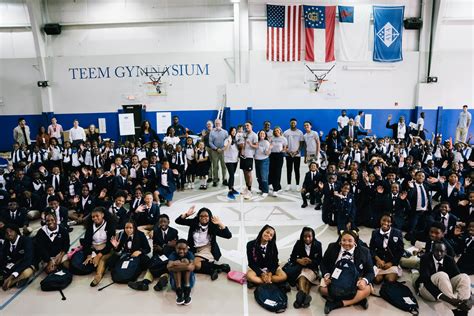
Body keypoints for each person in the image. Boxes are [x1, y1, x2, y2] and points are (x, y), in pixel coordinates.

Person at [319, 230, 373, 314]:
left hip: (355, 281)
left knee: (367, 289)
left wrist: (364, 280)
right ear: (340, 240)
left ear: (355, 241)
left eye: (350, 241)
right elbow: (323, 263)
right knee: (322, 289)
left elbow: (370, 272)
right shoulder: (332, 247)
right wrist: (327, 275)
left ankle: (337, 304)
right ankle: (358, 299)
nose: (346, 243)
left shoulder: (364, 251)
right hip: (334, 280)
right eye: (343, 240)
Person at [415, 242, 472, 316]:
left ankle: (463, 308)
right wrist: (451, 300)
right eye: (436, 250)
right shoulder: (425, 258)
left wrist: (470, 299)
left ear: (445, 252)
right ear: (432, 250)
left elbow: (458, 279)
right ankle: (457, 311)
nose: (439, 253)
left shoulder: (449, 260)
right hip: (427, 290)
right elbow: (426, 282)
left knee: (464, 276)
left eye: (442, 251)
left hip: (444, 291)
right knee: (441, 275)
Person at [175, 206, 231, 281]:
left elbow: (228, 235)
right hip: (193, 248)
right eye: (201, 216)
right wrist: (186, 215)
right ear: (198, 217)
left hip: (206, 248)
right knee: (186, 265)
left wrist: (220, 223)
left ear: (210, 217)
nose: (203, 218)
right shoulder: (193, 223)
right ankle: (219, 267)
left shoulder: (213, 226)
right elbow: (178, 221)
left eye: (206, 216)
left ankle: (211, 271)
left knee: (195, 264)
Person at [128, 214, 178, 291]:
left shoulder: (174, 231)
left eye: (165, 221)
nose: (163, 224)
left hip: (170, 255)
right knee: (151, 266)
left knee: (168, 266)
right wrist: (166, 245)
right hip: (159, 254)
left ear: (168, 222)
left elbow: (174, 247)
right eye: (161, 222)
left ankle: (161, 282)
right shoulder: (156, 232)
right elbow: (155, 247)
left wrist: (163, 247)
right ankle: (144, 283)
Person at [81, 206, 116, 287]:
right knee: (85, 262)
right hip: (93, 248)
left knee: (102, 259)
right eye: (93, 216)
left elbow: (110, 244)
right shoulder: (90, 226)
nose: (95, 218)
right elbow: (86, 242)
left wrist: (99, 255)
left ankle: (98, 276)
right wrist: (89, 255)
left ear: (102, 215)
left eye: (97, 216)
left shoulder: (110, 225)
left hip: (106, 249)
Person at [289, 227, 322, 309]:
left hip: (312, 268)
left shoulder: (318, 245)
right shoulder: (298, 244)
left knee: (303, 277)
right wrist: (299, 260)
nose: (307, 239)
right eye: (305, 236)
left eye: (309, 236)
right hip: (300, 267)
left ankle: (299, 299)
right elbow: (292, 257)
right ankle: (305, 298)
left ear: (313, 236)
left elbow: (320, 260)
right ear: (302, 236)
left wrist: (311, 261)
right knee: (306, 280)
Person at [369, 214, 404, 284]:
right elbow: (371, 249)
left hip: (391, 262)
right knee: (377, 280)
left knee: (390, 280)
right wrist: (378, 260)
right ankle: (380, 274)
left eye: (388, 221)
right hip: (379, 262)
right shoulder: (375, 232)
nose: (385, 223)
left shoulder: (397, 233)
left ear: (391, 223)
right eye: (383, 220)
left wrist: (391, 263)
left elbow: (400, 251)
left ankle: (389, 274)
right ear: (380, 221)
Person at [1, 223, 35, 290]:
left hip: (29, 263)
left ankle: (12, 282)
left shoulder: (26, 240)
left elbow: (27, 260)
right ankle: (10, 281)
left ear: (16, 231)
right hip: (15, 264)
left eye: (11, 231)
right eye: (6, 232)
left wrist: (11, 276)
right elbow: (2, 258)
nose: (9, 234)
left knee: (26, 273)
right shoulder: (6, 242)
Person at [167, 239, 195, 306]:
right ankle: (179, 291)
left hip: (189, 281)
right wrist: (185, 265)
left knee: (184, 263)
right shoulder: (173, 255)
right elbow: (168, 267)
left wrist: (177, 265)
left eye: (184, 249)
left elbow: (191, 267)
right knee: (178, 268)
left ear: (187, 248)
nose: (181, 251)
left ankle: (187, 290)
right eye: (179, 249)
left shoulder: (190, 254)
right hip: (175, 283)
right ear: (175, 248)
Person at [239, 121, 258, 199]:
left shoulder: (254, 135)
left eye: (248, 125)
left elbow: (256, 146)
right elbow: (240, 144)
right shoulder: (244, 134)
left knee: (249, 174)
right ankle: (247, 187)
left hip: (249, 156)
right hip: (243, 156)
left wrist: (250, 144)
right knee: (244, 172)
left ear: (251, 126)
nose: (246, 127)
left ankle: (249, 190)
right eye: (245, 126)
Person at [283, 118, 303, 191]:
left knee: (297, 170)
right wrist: (288, 152)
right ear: (290, 123)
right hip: (288, 154)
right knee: (289, 170)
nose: (293, 124)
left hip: (297, 155)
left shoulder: (300, 132)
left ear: (296, 123)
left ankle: (297, 185)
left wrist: (297, 152)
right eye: (292, 123)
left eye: (294, 123)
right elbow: (284, 144)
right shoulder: (286, 132)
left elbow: (301, 144)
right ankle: (289, 184)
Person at [209, 119, 228, 187]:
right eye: (216, 123)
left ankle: (224, 179)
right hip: (214, 151)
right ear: (214, 124)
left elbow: (227, 141)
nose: (217, 124)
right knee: (215, 166)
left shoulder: (225, 132)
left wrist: (223, 148)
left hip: (223, 151)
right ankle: (215, 180)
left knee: (224, 166)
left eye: (219, 123)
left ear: (221, 124)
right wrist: (216, 148)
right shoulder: (212, 132)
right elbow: (210, 142)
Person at [269, 126, 287, 196]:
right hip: (272, 156)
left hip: (279, 156)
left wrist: (283, 151)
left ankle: (275, 190)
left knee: (277, 172)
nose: (276, 132)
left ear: (280, 131)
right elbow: (269, 146)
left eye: (277, 131)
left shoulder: (283, 139)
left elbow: (285, 147)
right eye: (275, 131)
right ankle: (277, 186)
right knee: (272, 171)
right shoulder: (271, 138)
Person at [223, 127, 239, 200]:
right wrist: (229, 143)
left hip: (235, 160)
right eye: (232, 131)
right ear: (230, 132)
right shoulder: (227, 139)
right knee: (232, 175)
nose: (234, 132)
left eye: (235, 131)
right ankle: (230, 191)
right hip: (229, 160)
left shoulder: (235, 139)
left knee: (232, 175)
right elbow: (225, 149)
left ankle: (232, 188)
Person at [254, 130, 272, 198]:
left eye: (263, 133)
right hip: (256, 160)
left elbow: (267, 153)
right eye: (261, 133)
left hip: (264, 160)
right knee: (258, 176)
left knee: (264, 177)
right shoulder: (257, 142)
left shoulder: (266, 142)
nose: (262, 134)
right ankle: (261, 189)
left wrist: (269, 149)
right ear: (258, 135)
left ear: (265, 135)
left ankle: (265, 191)